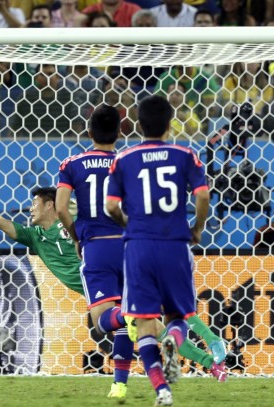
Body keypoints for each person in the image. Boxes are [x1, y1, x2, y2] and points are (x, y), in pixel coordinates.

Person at [56, 106, 228, 400]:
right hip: (133, 244)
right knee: (160, 318)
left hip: (98, 246)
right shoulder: (129, 160)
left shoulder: (75, 163)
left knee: (105, 320)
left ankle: (131, 360)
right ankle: (208, 361)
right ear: (122, 131)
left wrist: (77, 237)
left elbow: (61, 207)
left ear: (88, 132)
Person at [105, 95, 211, 407]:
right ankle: (173, 340)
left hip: (138, 247)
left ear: (139, 124)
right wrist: (198, 227)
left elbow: (111, 205)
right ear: (169, 124)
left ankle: (162, 391)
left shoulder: (124, 159)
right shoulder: (185, 155)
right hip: (174, 245)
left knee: (142, 323)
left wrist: (128, 223)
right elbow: (203, 196)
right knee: (177, 316)